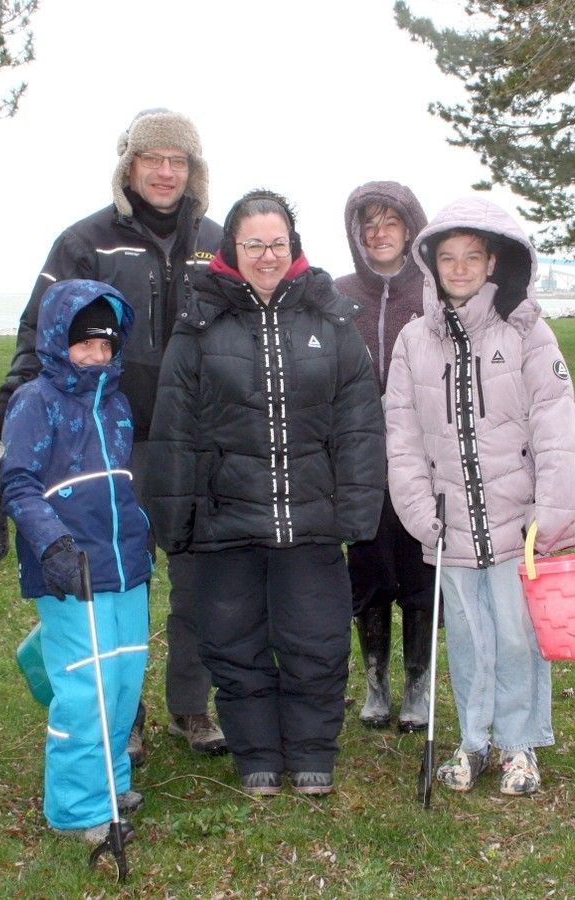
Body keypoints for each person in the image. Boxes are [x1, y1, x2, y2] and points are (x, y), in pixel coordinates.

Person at [0, 109, 228, 761]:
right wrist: (4, 409)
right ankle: (125, 709)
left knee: (200, 582)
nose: (166, 172)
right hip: (107, 447)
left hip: (200, 443)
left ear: (194, 170)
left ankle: (191, 706)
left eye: (179, 160)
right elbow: (42, 329)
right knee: (119, 581)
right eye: (152, 158)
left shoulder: (219, 240)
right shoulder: (85, 241)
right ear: (129, 166)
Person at [142, 189, 386, 797]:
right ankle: (255, 753)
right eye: (254, 244)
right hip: (227, 521)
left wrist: (357, 509)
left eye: (277, 243)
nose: (267, 255)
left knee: (317, 639)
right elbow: (172, 429)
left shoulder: (330, 319)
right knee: (234, 642)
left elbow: (359, 422)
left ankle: (311, 751)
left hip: (312, 518)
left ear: (294, 246)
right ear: (232, 248)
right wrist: (173, 523)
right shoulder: (201, 323)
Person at [384, 195, 575, 796]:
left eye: (473, 256)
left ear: (493, 261)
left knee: (520, 634)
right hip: (451, 526)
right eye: (449, 257)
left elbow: (557, 425)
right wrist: (421, 512)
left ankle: (519, 744)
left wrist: (551, 513)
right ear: (432, 265)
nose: (462, 268)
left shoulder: (527, 331)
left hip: (517, 523)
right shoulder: (413, 342)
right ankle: (473, 740)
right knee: (468, 637)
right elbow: (403, 437)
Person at [0, 279, 151, 844]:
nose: (94, 356)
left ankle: (111, 784)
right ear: (58, 340)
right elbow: (17, 484)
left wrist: (141, 533)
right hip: (70, 569)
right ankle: (78, 809)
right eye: (83, 343)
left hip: (125, 567)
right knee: (85, 689)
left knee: (122, 683)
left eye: (105, 346)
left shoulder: (115, 403)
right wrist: (53, 545)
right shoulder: (35, 403)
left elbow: (119, 482)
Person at [333, 181, 435, 732]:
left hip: (422, 456)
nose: (379, 233)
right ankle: (375, 681)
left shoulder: (434, 291)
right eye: (367, 224)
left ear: (409, 227)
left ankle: (419, 684)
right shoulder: (340, 293)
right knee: (368, 566)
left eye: (389, 222)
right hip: (361, 457)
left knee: (420, 569)